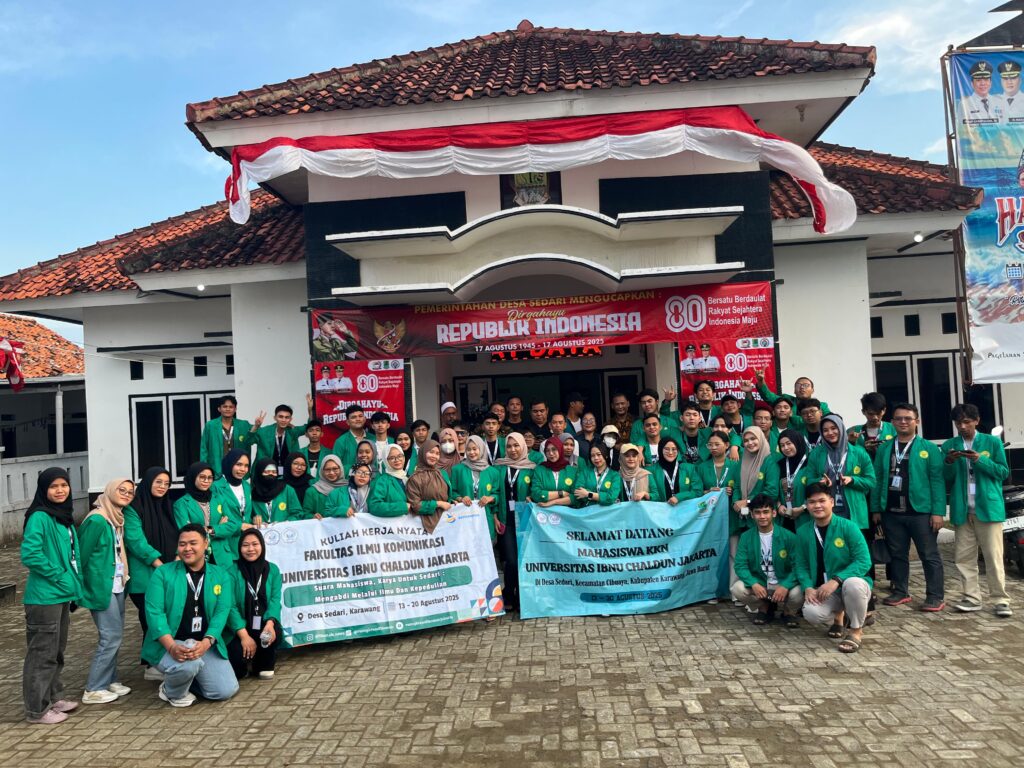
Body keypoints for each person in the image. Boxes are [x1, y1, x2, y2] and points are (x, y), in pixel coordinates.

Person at [143, 524, 239, 706]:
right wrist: (172, 646)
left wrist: (207, 642)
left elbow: (222, 611)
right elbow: (154, 613)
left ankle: (183, 679)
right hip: (170, 642)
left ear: (205, 543)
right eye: (182, 544)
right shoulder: (163, 573)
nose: (187, 548)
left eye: (193, 543)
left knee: (225, 690)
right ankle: (171, 691)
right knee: (189, 665)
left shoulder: (220, 575)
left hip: (203, 643)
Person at [21, 468, 84, 724]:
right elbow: (31, 554)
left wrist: (74, 586)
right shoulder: (40, 516)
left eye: (64, 485)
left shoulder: (62, 516)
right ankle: (37, 710)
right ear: (43, 490)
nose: (60, 490)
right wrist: (59, 575)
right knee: (42, 654)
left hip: (60, 594)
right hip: (44, 597)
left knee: (56, 651)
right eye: (53, 486)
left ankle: (54, 698)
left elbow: (72, 555)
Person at [870, 403, 946, 612]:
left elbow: (937, 481)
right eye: (898, 418)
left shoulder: (929, 448)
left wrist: (938, 512)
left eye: (908, 418)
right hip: (891, 511)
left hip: (921, 512)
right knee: (897, 554)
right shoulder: (885, 447)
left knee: (928, 555)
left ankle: (935, 596)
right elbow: (877, 479)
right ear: (892, 422)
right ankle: (901, 591)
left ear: (916, 421)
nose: (903, 422)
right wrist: (876, 508)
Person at [942, 403, 1012, 617]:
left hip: (988, 508)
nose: (962, 427)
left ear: (977, 421)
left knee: (993, 556)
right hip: (962, 509)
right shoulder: (950, 445)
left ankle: (1000, 599)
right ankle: (971, 598)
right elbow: (946, 478)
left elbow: (1003, 472)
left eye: (966, 422)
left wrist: (980, 460)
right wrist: (949, 461)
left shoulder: (992, 442)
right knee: (964, 557)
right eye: (958, 423)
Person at [793, 483, 873, 653]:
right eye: (812, 502)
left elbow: (864, 561)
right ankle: (839, 616)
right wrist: (808, 587)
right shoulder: (803, 532)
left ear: (832, 502)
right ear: (807, 505)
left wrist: (836, 580)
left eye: (822, 501)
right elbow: (800, 564)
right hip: (824, 590)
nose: (817, 506)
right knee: (811, 613)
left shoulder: (848, 527)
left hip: (848, 585)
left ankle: (855, 631)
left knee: (853, 584)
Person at [79, 478, 135, 704]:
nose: (126, 494)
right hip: (101, 586)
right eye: (122, 490)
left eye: (130, 492)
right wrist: (80, 588)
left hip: (117, 584)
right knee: (110, 636)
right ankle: (94, 688)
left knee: (116, 634)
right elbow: (82, 556)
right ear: (110, 491)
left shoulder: (116, 518)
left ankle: (110, 679)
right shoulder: (97, 520)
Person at [123, 467, 178, 680]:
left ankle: (159, 660)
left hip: (168, 571)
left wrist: (176, 558)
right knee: (150, 619)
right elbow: (135, 541)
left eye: (166, 483)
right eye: (158, 482)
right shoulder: (133, 508)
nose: (163, 487)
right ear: (147, 482)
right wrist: (159, 563)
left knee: (164, 617)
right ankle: (151, 664)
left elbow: (178, 535)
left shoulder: (167, 506)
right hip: (145, 576)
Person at [730, 494, 803, 626]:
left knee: (799, 592)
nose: (762, 516)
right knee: (737, 589)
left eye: (766, 512)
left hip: (782, 582)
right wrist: (754, 583)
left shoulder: (789, 537)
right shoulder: (746, 537)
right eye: (757, 512)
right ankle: (764, 607)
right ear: (752, 515)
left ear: (774, 513)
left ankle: (788, 612)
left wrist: (785, 585)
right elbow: (740, 566)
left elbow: (798, 566)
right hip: (761, 583)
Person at [226, 528, 282, 680]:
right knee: (238, 669)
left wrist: (270, 623)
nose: (250, 549)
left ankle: (261, 661)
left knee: (265, 669)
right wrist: (244, 636)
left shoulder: (272, 570)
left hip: (263, 623)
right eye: (245, 545)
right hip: (240, 628)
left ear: (262, 546)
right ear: (239, 548)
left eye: (255, 544)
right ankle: (244, 663)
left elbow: (275, 600)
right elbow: (230, 606)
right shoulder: (231, 572)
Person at [808, 414, 876, 533]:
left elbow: (871, 481)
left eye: (834, 428)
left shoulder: (859, 452)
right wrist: (819, 482)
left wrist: (852, 480)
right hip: (826, 510)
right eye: (825, 430)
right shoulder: (816, 454)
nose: (830, 433)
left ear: (841, 428)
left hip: (854, 511)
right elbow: (809, 480)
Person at [731, 427, 779, 587]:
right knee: (750, 554)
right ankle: (752, 587)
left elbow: (772, 491)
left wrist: (747, 501)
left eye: (753, 439)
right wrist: (736, 502)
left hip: (762, 515)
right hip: (745, 517)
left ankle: (769, 588)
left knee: (766, 553)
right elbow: (736, 486)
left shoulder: (770, 461)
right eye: (746, 440)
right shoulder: (742, 460)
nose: (750, 443)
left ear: (761, 439)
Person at [494, 433, 536, 611]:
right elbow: (495, 492)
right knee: (511, 560)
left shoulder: (531, 468)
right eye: (509, 446)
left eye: (516, 445)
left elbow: (536, 490)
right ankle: (509, 593)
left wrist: (532, 497)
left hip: (525, 520)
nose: (513, 449)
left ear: (523, 446)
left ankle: (521, 597)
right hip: (506, 520)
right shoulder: (499, 468)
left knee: (524, 559)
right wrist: (495, 516)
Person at [451, 436, 504, 542]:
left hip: (485, 518)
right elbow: (451, 491)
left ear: (481, 449)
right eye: (468, 449)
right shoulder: (457, 469)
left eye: (475, 449)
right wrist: (461, 498)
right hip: (463, 518)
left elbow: (498, 494)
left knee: (486, 548)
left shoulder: (493, 472)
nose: (471, 452)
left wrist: (490, 498)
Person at [209, 450, 254, 565]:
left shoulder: (246, 485)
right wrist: (239, 526)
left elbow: (245, 512)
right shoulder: (215, 486)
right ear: (229, 464)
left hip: (246, 543)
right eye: (238, 464)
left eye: (246, 466)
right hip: (226, 543)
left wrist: (255, 519)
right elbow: (218, 517)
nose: (243, 469)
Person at [250, 396, 313, 475]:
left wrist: (310, 410)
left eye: (287, 417)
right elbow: (249, 441)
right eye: (281, 417)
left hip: (286, 474)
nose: (283, 420)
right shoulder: (264, 432)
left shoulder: (293, 431)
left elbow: (309, 427)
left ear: (290, 419)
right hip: (265, 473)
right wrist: (256, 426)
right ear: (275, 418)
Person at [405, 439, 455, 527]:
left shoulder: (442, 473)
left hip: (445, 522)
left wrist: (451, 501)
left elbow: (444, 495)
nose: (434, 456)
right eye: (431, 452)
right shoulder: (415, 478)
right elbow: (415, 505)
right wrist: (438, 504)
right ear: (423, 453)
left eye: (437, 453)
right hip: (425, 525)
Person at [200, 396, 254, 476]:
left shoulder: (243, 425)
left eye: (231, 407)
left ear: (235, 409)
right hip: (217, 468)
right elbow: (204, 448)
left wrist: (256, 426)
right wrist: (203, 468)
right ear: (219, 409)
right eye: (225, 406)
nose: (228, 409)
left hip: (237, 469)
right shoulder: (211, 425)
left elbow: (253, 438)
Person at [172, 462, 217, 544]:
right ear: (193, 477)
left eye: (210, 478)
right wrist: (215, 529)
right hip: (196, 549)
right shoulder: (181, 504)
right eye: (202, 477)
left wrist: (206, 529)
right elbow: (187, 532)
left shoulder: (217, 498)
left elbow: (232, 525)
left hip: (219, 550)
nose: (206, 481)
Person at [249, 458, 303, 525]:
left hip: (284, 530)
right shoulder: (251, 494)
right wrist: (253, 521)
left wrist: (285, 523)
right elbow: (246, 517)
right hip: (260, 531)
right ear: (259, 473)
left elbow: (298, 513)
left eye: (274, 472)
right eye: (266, 472)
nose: (271, 474)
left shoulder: (287, 490)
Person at [755, 370, 831, 416]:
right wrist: (761, 381)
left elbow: (829, 419)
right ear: (794, 391)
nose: (802, 387)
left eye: (806, 385)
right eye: (798, 385)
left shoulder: (822, 406)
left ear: (812, 390)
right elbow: (768, 396)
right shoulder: (786, 400)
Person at [776, 429, 811, 530]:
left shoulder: (810, 463)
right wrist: (778, 506)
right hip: (785, 517)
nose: (786, 448)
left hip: (806, 517)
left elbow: (817, 491)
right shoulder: (780, 465)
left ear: (797, 442)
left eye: (789, 443)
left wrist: (802, 508)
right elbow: (774, 490)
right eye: (782, 445)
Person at [529, 435, 576, 507]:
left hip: (566, 512)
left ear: (560, 450)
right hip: (544, 512)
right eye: (547, 450)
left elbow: (575, 497)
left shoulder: (571, 471)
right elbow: (536, 494)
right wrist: (561, 493)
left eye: (554, 449)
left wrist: (553, 502)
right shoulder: (540, 469)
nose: (551, 453)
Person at [368, 444, 412, 517]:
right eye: (392, 458)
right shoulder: (382, 481)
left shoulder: (409, 478)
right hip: (392, 523)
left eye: (399, 456)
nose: (397, 460)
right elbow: (374, 506)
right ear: (386, 460)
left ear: (404, 457)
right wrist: (402, 507)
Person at [848, 392, 895, 457]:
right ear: (863, 412)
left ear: (884, 410)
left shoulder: (894, 429)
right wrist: (851, 442)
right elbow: (846, 455)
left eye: (878, 413)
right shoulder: (852, 431)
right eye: (870, 414)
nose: (875, 417)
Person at [658, 437, 702, 504]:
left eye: (674, 449)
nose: (670, 452)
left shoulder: (689, 468)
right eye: (666, 449)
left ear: (678, 451)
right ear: (660, 450)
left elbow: (698, 491)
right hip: (661, 509)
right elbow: (654, 495)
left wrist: (679, 497)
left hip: (685, 509)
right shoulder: (652, 471)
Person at [302, 454, 347, 519]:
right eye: (327, 469)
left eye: (335, 469)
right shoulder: (312, 492)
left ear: (341, 468)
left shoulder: (348, 488)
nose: (331, 473)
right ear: (322, 471)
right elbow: (305, 514)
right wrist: (312, 516)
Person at [959, 59, 1002, 124]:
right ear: (972, 84)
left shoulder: (999, 102)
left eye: (986, 79)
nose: (983, 83)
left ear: (990, 83)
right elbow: (961, 128)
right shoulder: (965, 104)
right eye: (978, 80)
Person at [333, 404, 369, 472]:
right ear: (347, 422)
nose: (358, 419)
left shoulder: (373, 438)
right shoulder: (340, 441)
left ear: (364, 419)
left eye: (360, 416)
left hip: (371, 477)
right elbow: (335, 467)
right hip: (348, 478)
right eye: (353, 417)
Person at [999, 59, 1024, 124]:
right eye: (1005, 78)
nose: (1009, 82)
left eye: (1013, 78)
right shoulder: (993, 101)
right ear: (1001, 81)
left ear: (1020, 81)